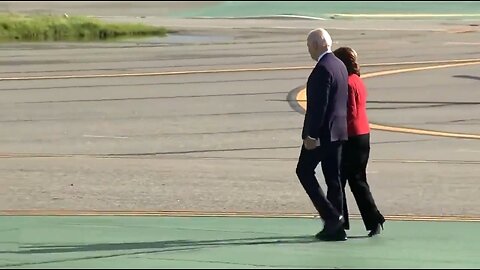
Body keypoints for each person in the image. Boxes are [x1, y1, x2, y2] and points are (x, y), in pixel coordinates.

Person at [296, 28, 349, 241]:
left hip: (323, 134)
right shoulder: (340, 65)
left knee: (304, 171)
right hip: (339, 131)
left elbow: (319, 106)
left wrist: (311, 135)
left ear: (317, 45)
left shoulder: (322, 70)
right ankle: (336, 228)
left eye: (309, 46)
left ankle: (331, 217)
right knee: (333, 179)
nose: (308, 50)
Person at [333, 47, 385, 237]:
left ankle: (338, 221)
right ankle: (373, 219)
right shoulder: (357, 80)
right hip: (363, 134)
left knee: (338, 180)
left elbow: (349, 113)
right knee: (357, 180)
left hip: (350, 136)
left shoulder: (346, 83)